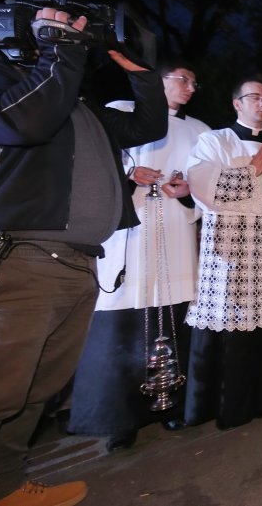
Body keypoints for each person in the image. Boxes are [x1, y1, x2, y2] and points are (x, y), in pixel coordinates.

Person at [0, 7, 167, 506]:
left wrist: (140, 73)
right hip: (9, 257)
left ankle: (3, 488)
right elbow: (20, 120)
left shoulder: (69, 97)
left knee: (30, 393)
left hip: (75, 262)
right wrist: (60, 50)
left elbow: (148, 125)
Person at [66, 60, 209, 452]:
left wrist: (187, 189)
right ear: (156, 82)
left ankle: (176, 406)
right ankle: (119, 419)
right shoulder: (119, 113)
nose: (191, 87)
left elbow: (210, 182)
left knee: (177, 316)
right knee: (124, 325)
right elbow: (89, 163)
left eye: (194, 82)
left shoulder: (200, 131)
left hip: (176, 234)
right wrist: (128, 174)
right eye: (183, 79)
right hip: (129, 232)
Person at [183, 77, 262, 430]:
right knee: (229, 318)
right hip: (228, 248)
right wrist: (253, 171)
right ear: (236, 103)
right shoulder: (213, 141)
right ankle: (225, 405)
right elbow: (203, 187)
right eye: (254, 97)